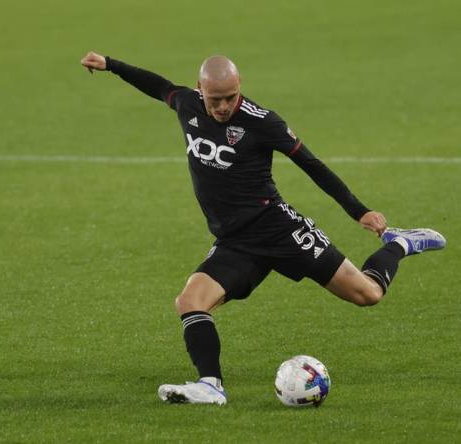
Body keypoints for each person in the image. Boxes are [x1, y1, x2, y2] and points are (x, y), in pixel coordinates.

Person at [80, 51, 446, 405]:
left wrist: (359, 212)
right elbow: (156, 85)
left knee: (367, 294)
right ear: (199, 90)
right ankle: (210, 386)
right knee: (190, 301)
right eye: (215, 99)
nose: (223, 107)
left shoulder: (262, 121)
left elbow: (312, 165)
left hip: (278, 229)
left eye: (230, 98)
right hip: (235, 242)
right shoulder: (187, 104)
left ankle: (399, 244)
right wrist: (111, 65)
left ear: (240, 87)